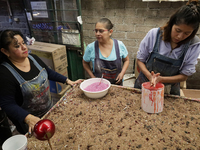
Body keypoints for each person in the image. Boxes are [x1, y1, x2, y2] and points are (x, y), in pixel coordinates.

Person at [0, 30, 80, 134]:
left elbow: (48, 72)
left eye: (23, 43)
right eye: (17, 46)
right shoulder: (4, 73)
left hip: (48, 111)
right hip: (30, 123)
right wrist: (28, 118)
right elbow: (7, 104)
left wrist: (68, 81)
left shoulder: (33, 58)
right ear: (5, 51)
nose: (24, 47)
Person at [134, 0, 200, 95]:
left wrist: (161, 79)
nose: (180, 36)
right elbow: (140, 60)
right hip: (145, 83)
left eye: (187, 33)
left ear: (193, 32)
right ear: (171, 24)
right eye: (178, 30)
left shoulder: (194, 45)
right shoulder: (154, 35)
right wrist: (150, 77)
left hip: (170, 89)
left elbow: (184, 76)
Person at [82, 18, 129, 85]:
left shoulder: (119, 45)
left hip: (116, 84)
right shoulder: (91, 47)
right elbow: (85, 63)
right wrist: (93, 77)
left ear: (110, 32)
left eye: (101, 31)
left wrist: (122, 73)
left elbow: (126, 60)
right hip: (99, 85)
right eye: (96, 31)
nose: (97, 34)